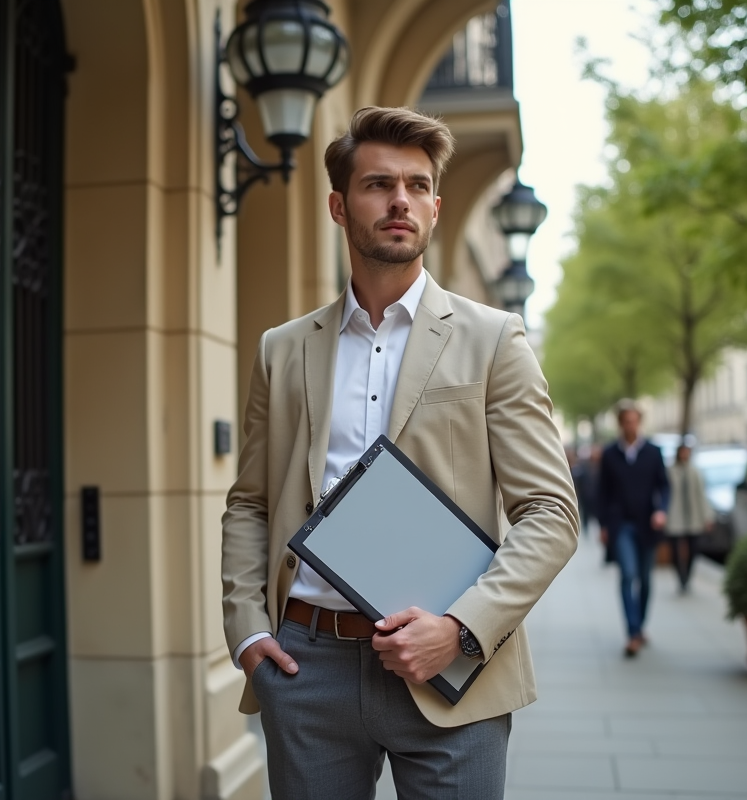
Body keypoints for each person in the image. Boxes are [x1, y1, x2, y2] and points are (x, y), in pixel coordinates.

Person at [221, 106, 579, 799]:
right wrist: (247, 632)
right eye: (378, 184)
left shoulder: (494, 340)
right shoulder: (282, 349)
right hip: (307, 665)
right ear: (338, 206)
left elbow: (551, 512)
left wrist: (462, 628)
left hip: (451, 671)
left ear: (436, 208)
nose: (400, 201)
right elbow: (250, 503)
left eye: (417, 186)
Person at [597, 401, 669, 657]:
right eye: (626, 421)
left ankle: (640, 625)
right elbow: (602, 492)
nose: (630, 425)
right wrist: (603, 525)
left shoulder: (653, 452)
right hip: (621, 525)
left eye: (634, 421)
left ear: (639, 422)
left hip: (647, 524)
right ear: (620, 424)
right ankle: (633, 632)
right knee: (628, 575)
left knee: (646, 580)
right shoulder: (609, 454)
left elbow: (664, 486)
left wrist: (662, 511)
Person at [665, 442, 714, 593]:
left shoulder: (695, 472)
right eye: (683, 452)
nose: (685, 455)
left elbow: (702, 495)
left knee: (694, 548)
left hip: (693, 516)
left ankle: (687, 576)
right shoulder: (670, 471)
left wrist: (707, 516)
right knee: (675, 549)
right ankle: (681, 577)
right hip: (675, 515)